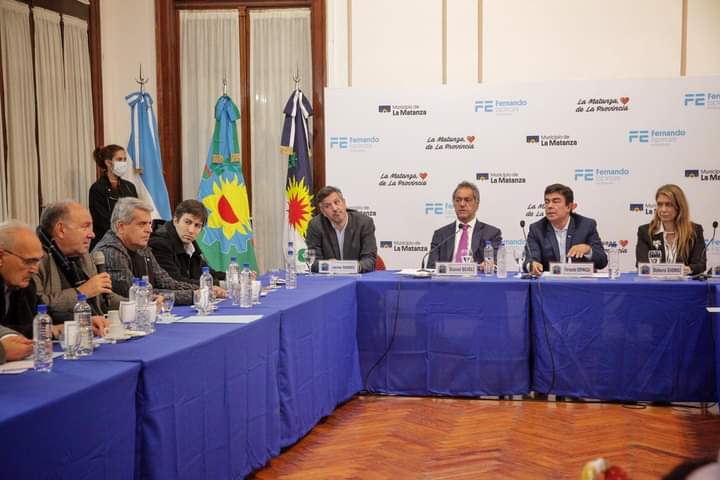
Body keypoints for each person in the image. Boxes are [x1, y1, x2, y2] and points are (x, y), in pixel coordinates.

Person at [93, 198, 198, 305]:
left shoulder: (141, 247)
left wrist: (201, 290)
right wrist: (193, 296)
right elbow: (136, 293)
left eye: (149, 224)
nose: (149, 230)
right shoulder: (111, 251)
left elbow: (166, 282)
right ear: (121, 227)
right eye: (142, 224)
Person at [34, 201, 123, 324]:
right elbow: (38, 306)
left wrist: (135, 304)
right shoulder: (35, 260)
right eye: (84, 227)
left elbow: (103, 300)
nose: (92, 234)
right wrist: (81, 292)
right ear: (61, 230)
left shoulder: (84, 256)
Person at [526, 183, 607, 275]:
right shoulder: (537, 229)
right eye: (547, 202)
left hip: (580, 281)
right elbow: (530, 259)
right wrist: (532, 265)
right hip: (550, 282)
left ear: (569, 207)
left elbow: (602, 261)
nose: (549, 206)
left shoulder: (586, 225)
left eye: (556, 201)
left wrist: (588, 250)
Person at [427, 181, 502, 269]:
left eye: (467, 200)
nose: (462, 204)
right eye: (458, 200)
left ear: (477, 204)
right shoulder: (440, 234)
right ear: (454, 204)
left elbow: (494, 263)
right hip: (447, 277)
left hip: (477, 277)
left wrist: (486, 265)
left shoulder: (491, 233)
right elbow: (431, 267)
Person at [149, 199, 226, 285]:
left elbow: (210, 274)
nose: (191, 230)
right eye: (187, 222)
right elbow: (176, 282)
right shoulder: (159, 244)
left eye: (197, 225)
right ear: (175, 221)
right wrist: (220, 284)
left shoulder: (190, 246)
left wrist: (232, 277)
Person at [636, 184, 706, 275]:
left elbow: (700, 264)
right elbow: (642, 265)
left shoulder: (695, 231)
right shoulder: (645, 231)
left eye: (669, 204)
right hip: (655, 282)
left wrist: (689, 269)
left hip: (685, 283)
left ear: (679, 206)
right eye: (659, 204)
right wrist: (672, 271)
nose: (663, 210)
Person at [305, 185, 377, 273]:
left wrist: (353, 267)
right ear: (323, 212)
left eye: (336, 202)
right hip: (330, 278)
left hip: (357, 277)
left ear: (344, 203)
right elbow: (312, 262)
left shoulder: (364, 223)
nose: (334, 208)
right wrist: (329, 265)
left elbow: (370, 259)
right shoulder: (316, 225)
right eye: (327, 206)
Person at [89, 144, 138, 250]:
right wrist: (123, 234)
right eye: (119, 159)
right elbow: (102, 222)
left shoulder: (129, 187)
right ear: (108, 162)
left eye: (125, 159)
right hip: (107, 243)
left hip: (129, 240)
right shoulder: (97, 188)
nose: (123, 163)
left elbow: (136, 213)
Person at [0, 221, 44, 338]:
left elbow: (45, 313)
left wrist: (71, 322)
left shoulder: (26, 285)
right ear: (1, 257)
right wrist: (43, 330)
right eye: (29, 261)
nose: (35, 270)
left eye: (37, 261)